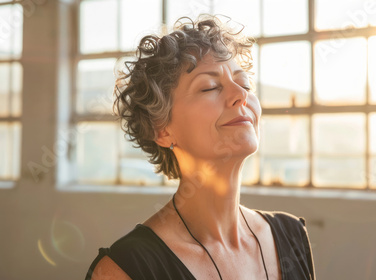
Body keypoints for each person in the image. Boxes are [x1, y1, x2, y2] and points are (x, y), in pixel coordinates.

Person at [85, 14, 316, 280]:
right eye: (209, 87)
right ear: (162, 129)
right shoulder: (127, 268)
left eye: (244, 84)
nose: (240, 95)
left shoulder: (291, 236)